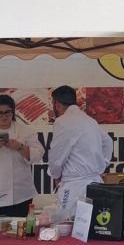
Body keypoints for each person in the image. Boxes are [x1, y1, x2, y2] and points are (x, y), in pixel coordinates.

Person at [49, 85, 113, 218]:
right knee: (93, 227)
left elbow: (56, 155)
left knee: (67, 226)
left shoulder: (62, 121)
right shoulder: (89, 120)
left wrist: (56, 174)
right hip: (95, 183)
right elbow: (108, 142)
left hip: (74, 186)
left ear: (57, 104)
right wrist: (102, 165)